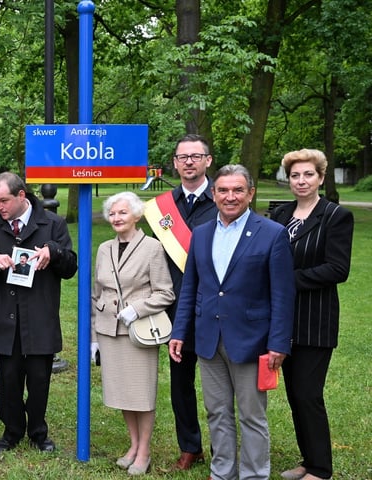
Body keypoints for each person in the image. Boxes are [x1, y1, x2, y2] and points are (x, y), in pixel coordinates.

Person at [169, 164, 295, 480]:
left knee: (252, 415)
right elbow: (190, 288)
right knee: (217, 411)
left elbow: (283, 295)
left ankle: (254, 474)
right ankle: (222, 471)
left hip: (252, 340)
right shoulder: (201, 234)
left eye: (238, 190)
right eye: (223, 190)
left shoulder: (272, 233)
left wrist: (278, 343)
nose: (230, 196)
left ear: (250, 194)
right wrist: (180, 330)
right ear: (213, 194)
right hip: (208, 338)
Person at [0, 172, 78, 456]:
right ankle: (11, 432)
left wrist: (53, 252)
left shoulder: (53, 223)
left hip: (39, 316)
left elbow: (70, 268)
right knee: (8, 379)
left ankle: (38, 432)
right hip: (4, 318)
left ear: (22, 195)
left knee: (39, 379)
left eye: (4, 200)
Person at [270, 149, 353, 480]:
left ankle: (320, 469)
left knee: (308, 394)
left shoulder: (335, 216)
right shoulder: (279, 214)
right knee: (294, 395)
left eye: (308, 175)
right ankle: (308, 460)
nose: (301, 181)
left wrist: (285, 281)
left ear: (320, 177)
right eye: (295, 175)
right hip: (279, 319)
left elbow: (337, 269)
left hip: (314, 318)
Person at [144, 133, 217, 470]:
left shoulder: (225, 199)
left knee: (222, 385)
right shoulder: (163, 208)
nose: (189, 161)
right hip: (177, 308)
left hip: (218, 308)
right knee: (181, 383)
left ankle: (225, 449)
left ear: (208, 161)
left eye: (196, 155)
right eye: (182, 156)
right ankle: (191, 447)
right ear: (174, 163)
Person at [91, 191, 175, 475]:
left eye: (122, 212)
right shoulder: (104, 248)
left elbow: (166, 292)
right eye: (112, 213)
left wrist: (137, 309)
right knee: (122, 393)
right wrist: (93, 337)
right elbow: (96, 293)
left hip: (138, 331)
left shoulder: (152, 247)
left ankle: (145, 450)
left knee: (141, 394)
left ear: (136, 215)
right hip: (108, 331)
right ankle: (133, 444)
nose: (116, 218)